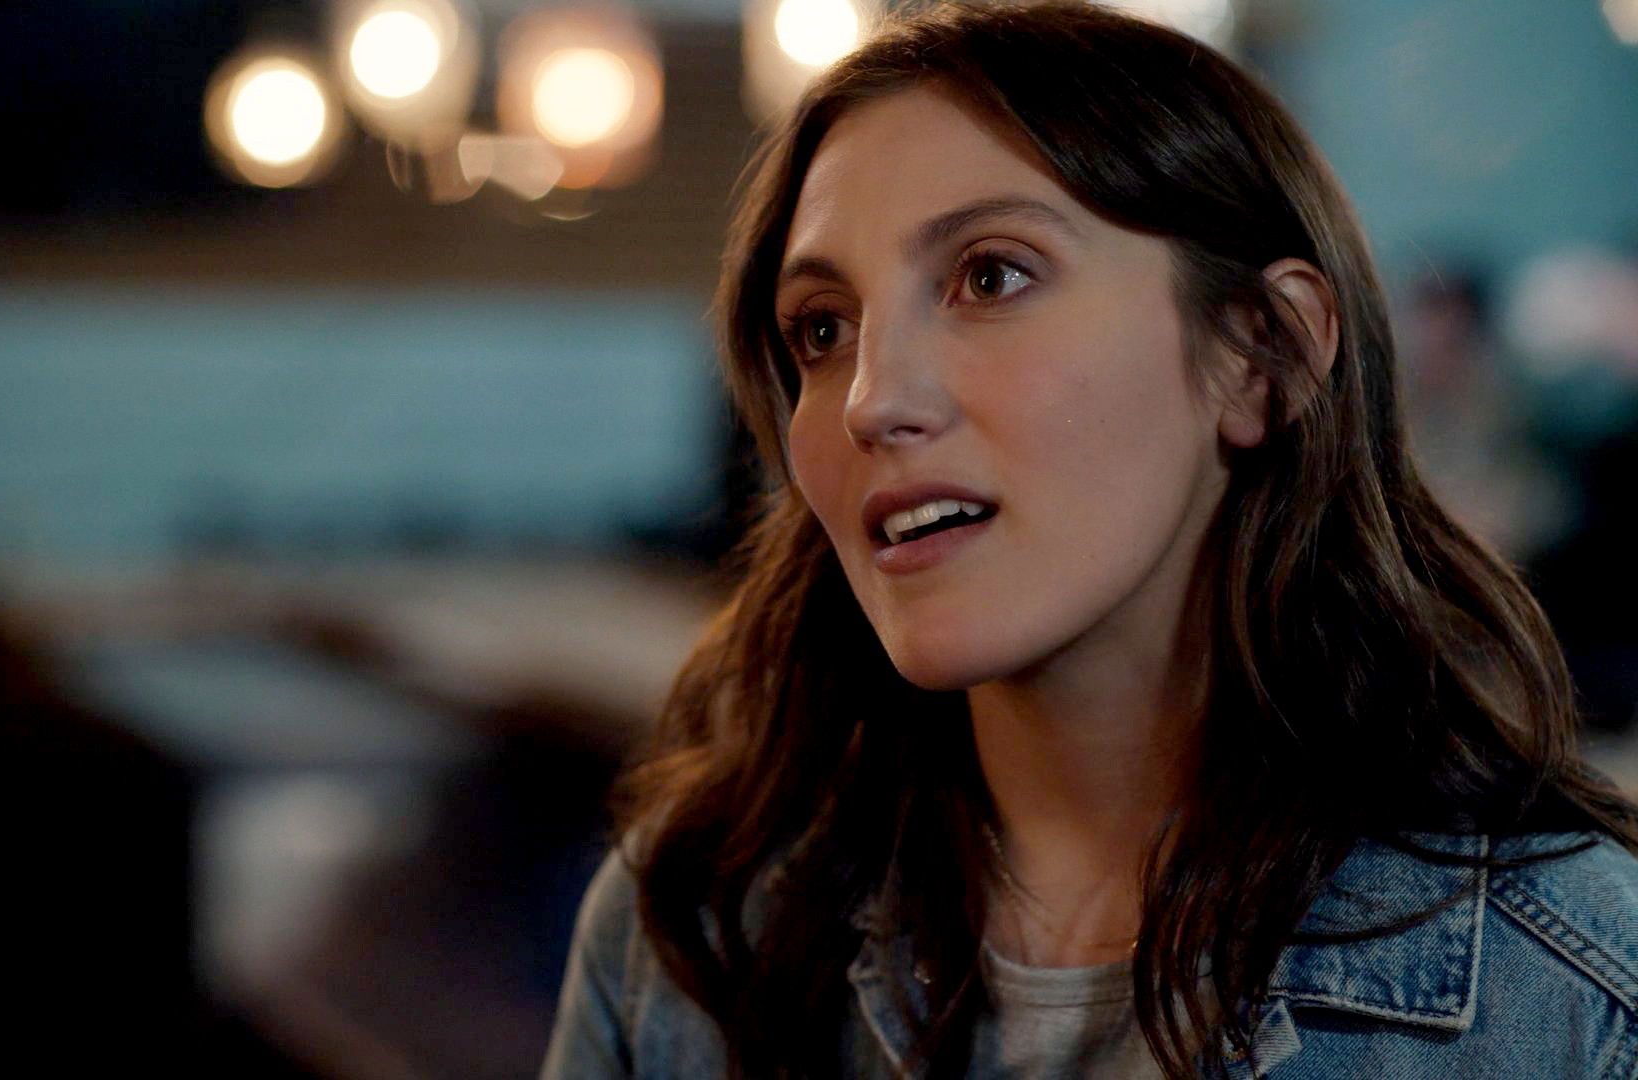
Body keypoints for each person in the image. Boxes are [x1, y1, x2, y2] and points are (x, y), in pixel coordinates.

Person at [540, 3, 1638, 1077]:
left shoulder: (1570, 998)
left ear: (1265, 353)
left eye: (990, 276)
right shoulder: (690, 928)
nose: (871, 400)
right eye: (822, 330)